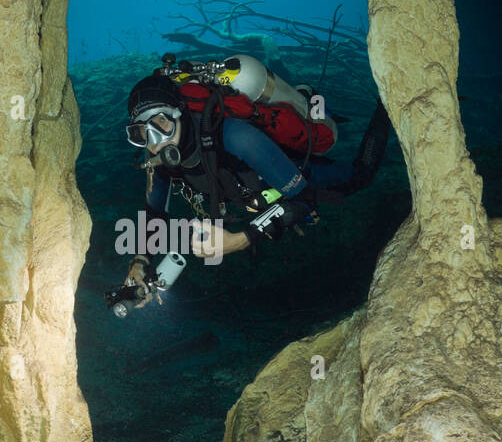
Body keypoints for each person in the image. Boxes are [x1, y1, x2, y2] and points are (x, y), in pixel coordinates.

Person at [118, 69, 390, 304]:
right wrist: (140, 262)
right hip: (253, 196)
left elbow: (302, 199)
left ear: (180, 113)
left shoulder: (236, 136)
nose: (155, 142)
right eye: (141, 133)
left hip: (288, 170)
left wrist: (238, 241)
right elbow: (154, 214)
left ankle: (386, 104)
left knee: (361, 175)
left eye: (161, 124)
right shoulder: (156, 156)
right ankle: (304, 95)